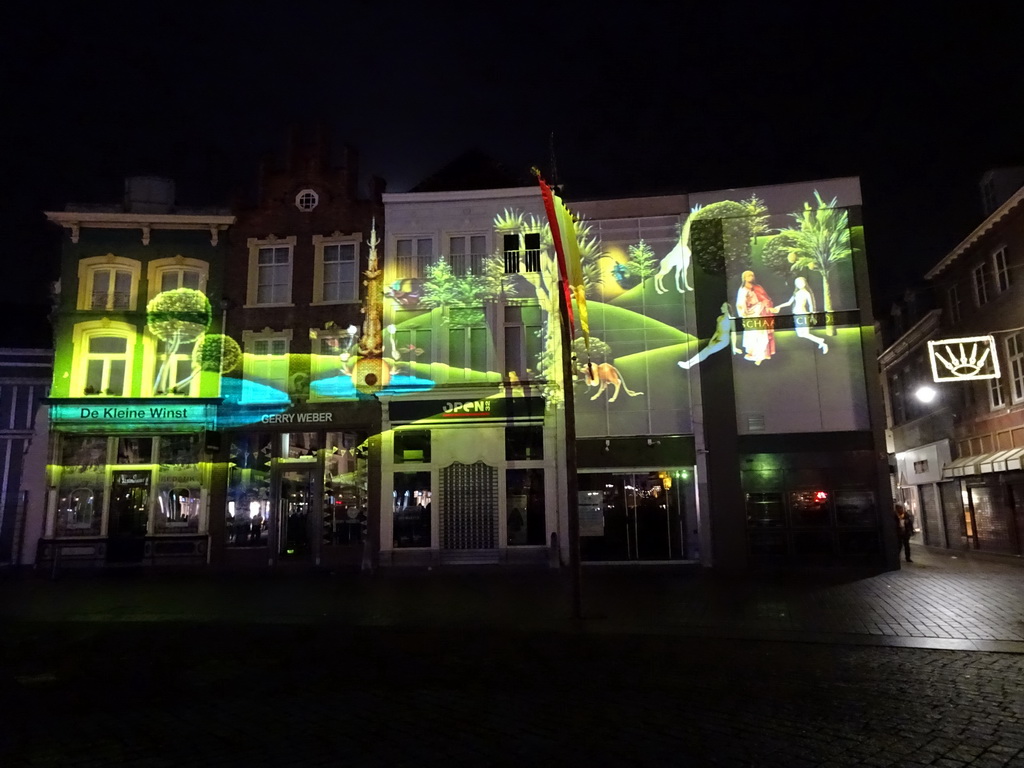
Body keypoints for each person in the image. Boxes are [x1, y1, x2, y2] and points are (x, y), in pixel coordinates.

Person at [678, 302, 741, 369]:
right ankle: (688, 364)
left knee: (707, 352)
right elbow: (717, 331)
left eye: (723, 307)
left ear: (727, 308)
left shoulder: (732, 319)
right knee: (705, 351)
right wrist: (712, 339)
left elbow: (733, 333)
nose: (721, 308)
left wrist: (734, 347)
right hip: (717, 338)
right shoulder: (719, 318)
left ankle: (688, 364)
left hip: (724, 341)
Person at [774, 276, 828, 354]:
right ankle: (820, 341)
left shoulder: (806, 293)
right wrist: (779, 306)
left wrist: (813, 315)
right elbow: (789, 303)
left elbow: (811, 305)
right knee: (801, 334)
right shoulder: (796, 293)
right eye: (797, 283)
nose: (799, 284)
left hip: (802, 314)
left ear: (805, 283)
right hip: (797, 315)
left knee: (805, 333)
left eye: (801, 282)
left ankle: (823, 343)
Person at [735, 270, 775, 364]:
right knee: (752, 334)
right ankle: (753, 353)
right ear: (744, 278)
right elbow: (740, 304)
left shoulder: (758, 287)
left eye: (752, 275)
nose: (751, 277)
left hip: (760, 312)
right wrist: (744, 314)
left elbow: (765, 299)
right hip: (750, 314)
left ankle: (761, 355)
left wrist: (766, 305)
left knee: (761, 334)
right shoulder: (743, 290)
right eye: (748, 276)